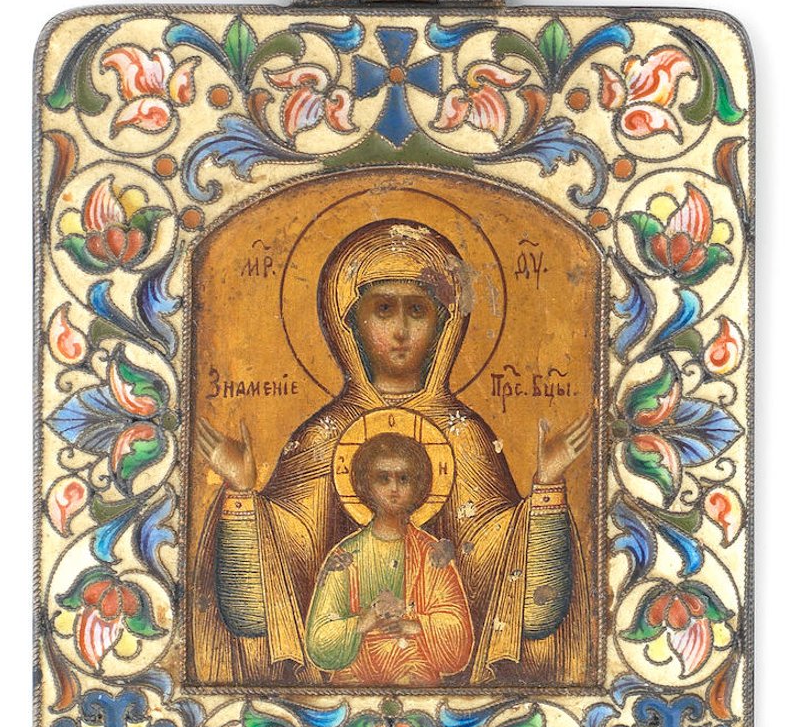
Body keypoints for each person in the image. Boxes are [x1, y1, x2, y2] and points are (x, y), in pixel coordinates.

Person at [190, 219, 594, 685]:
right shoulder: (323, 436)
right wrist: (242, 494)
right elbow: (256, 613)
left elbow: (527, 608)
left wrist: (547, 488)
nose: (401, 330)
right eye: (383, 309)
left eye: (417, 311)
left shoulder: (466, 437)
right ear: (349, 322)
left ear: (444, 325)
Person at [304, 433, 474, 685]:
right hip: (355, 676)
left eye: (403, 478)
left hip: (415, 674)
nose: (394, 489)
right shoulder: (346, 556)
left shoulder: (431, 554)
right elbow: (318, 640)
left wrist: (414, 626)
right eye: (383, 478)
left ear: (418, 486)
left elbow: (459, 637)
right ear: (367, 486)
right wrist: (364, 621)